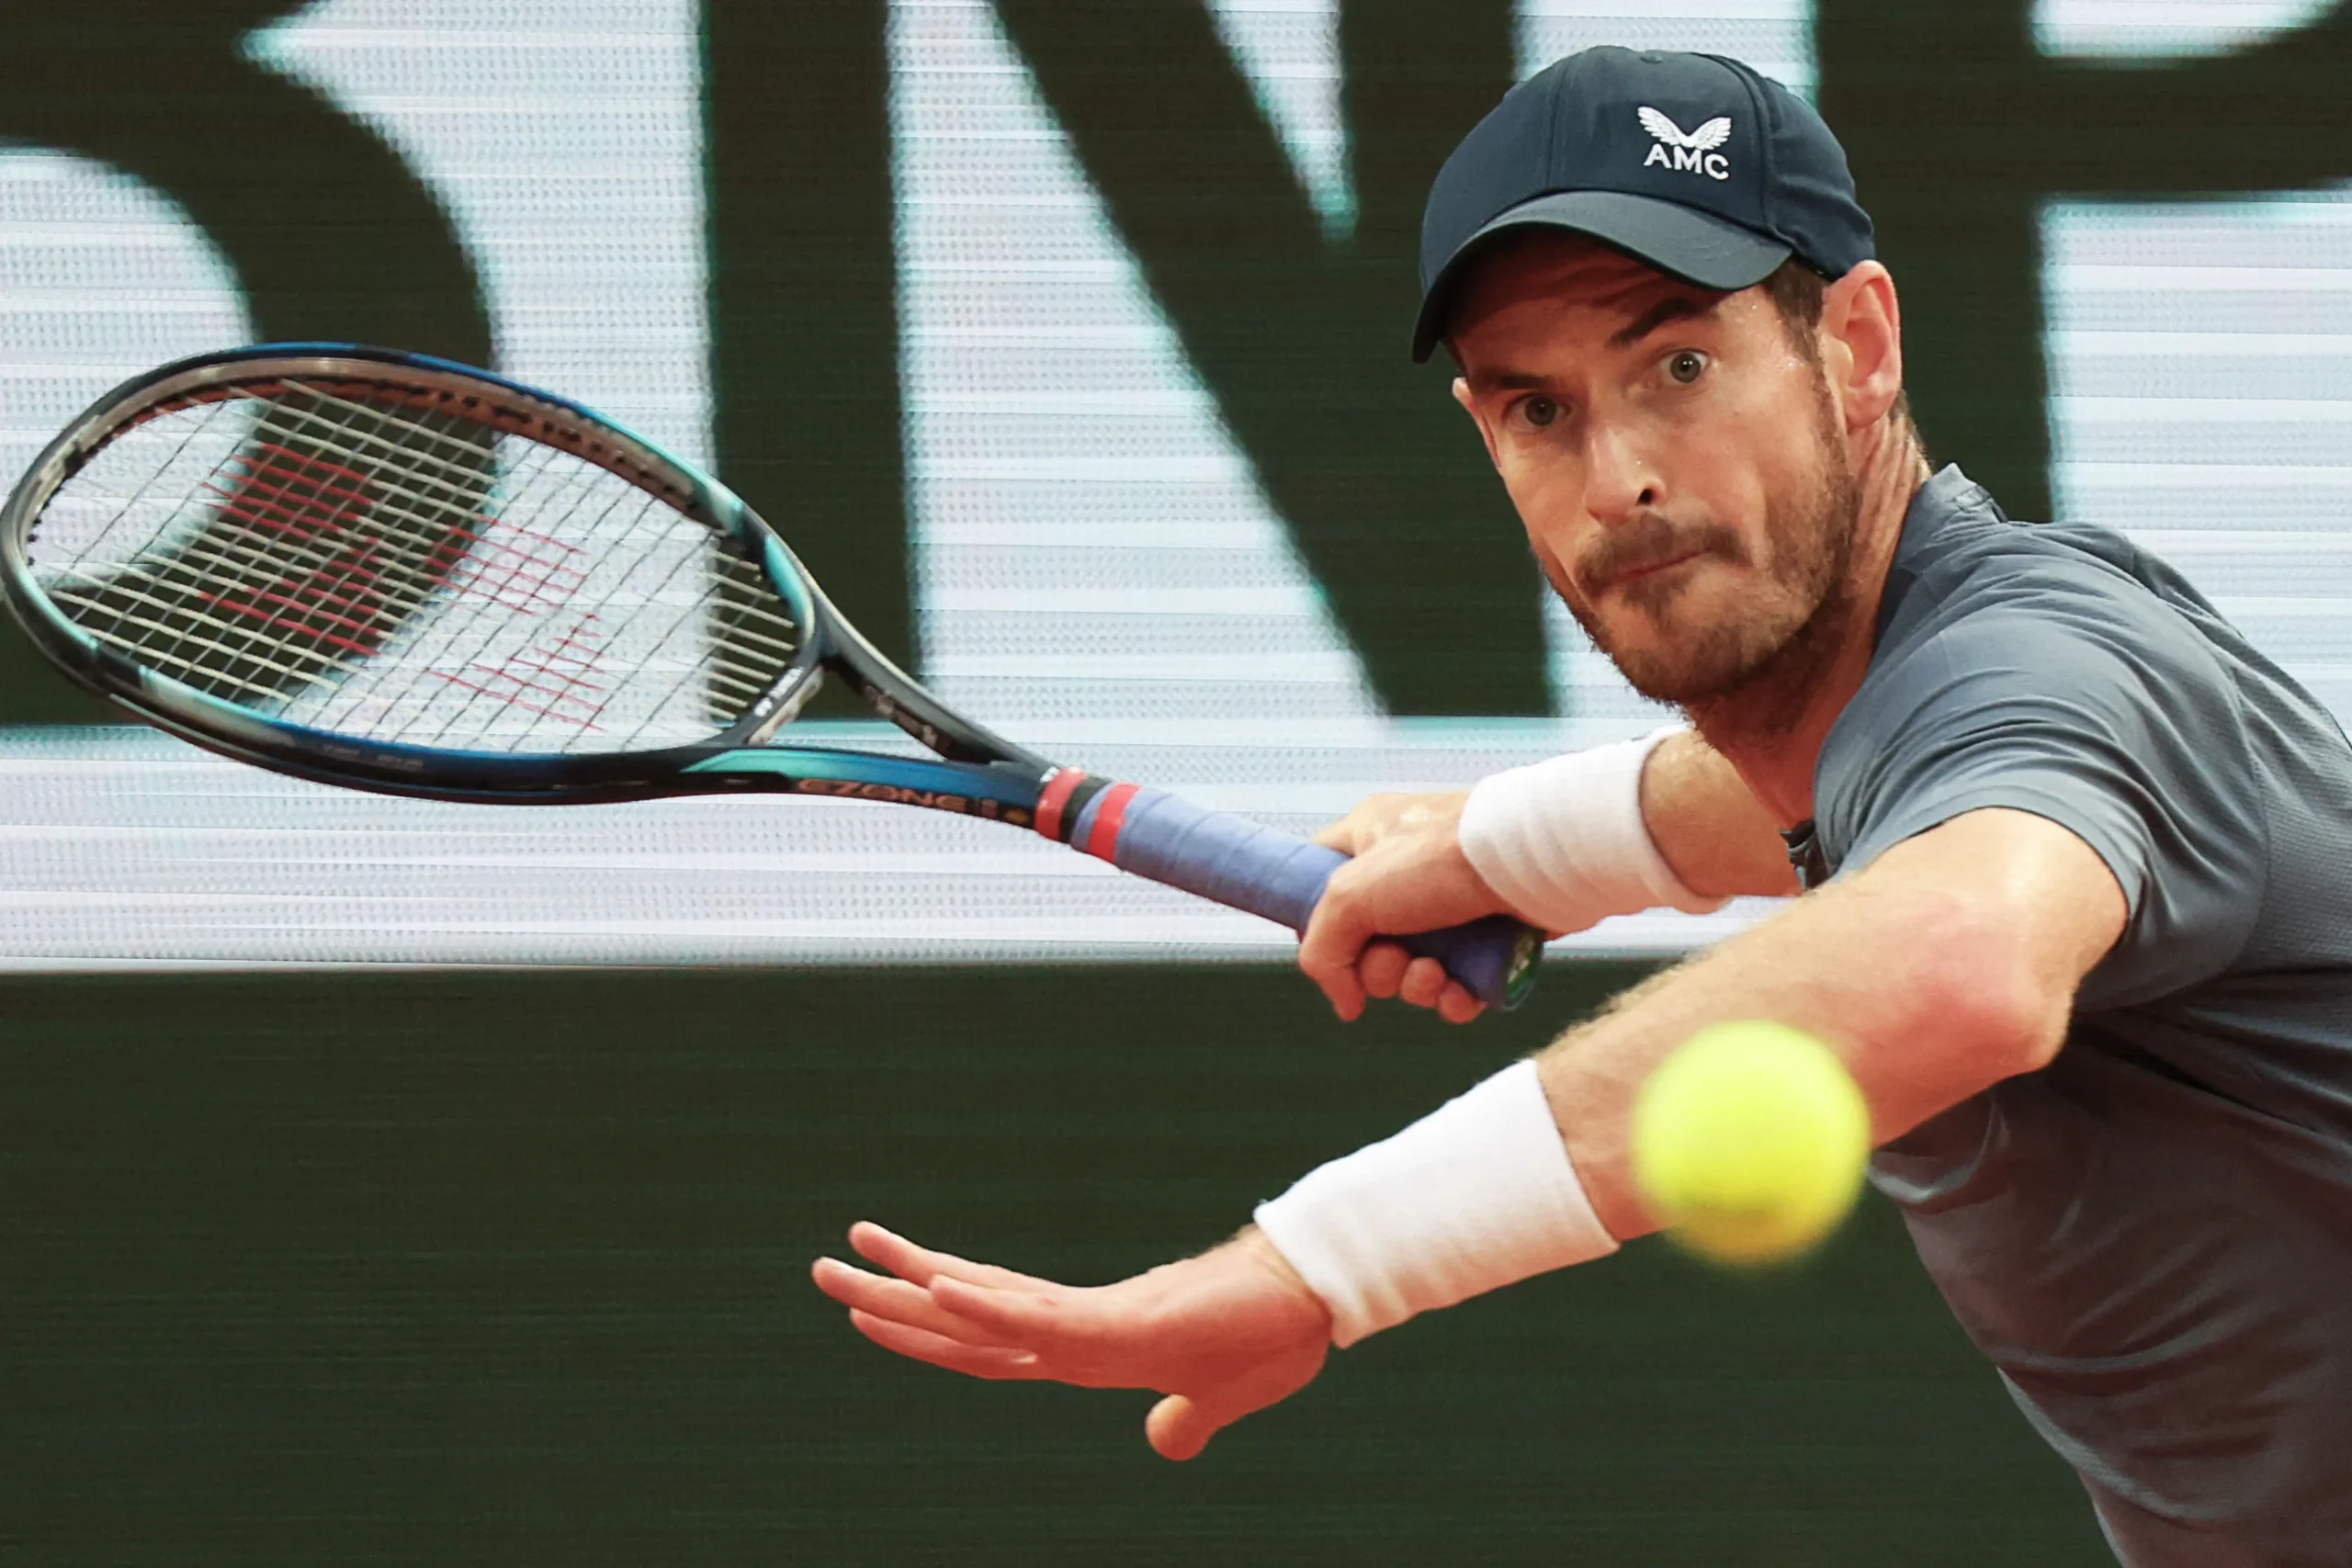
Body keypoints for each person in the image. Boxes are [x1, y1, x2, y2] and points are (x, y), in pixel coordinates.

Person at [812, 46, 2352, 1565]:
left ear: (1858, 348)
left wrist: (1321, 1264)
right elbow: (1832, 793)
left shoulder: (2039, 670)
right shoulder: (1944, 698)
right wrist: (1513, 847)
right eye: (1538, 410)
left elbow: (1959, 963)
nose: (1616, 478)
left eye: (1679, 368)